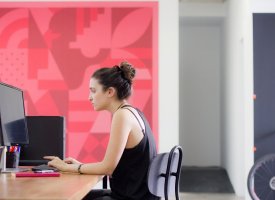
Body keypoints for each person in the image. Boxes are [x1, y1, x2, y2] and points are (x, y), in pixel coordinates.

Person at [44, 61, 160, 200]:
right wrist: (81, 165)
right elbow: (110, 164)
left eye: (93, 91)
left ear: (110, 92)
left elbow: (108, 168)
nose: (89, 97)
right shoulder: (133, 112)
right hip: (133, 195)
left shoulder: (122, 115)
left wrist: (66, 167)